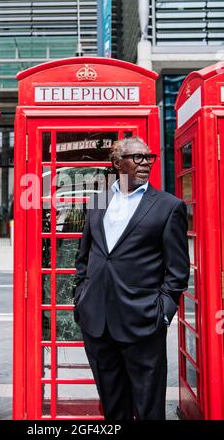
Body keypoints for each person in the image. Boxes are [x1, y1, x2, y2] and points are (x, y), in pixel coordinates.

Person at [74, 136, 190, 421]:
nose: (144, 164)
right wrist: (80, 296)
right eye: (136, 157)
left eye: (148, 158)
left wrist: (162, 313)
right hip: (97, 321)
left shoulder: (168, 206)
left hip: (143, 322)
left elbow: (177, 272)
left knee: (149, 406)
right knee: (112, 402)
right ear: (116, 163)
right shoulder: (97, 201)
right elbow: (84, 255)